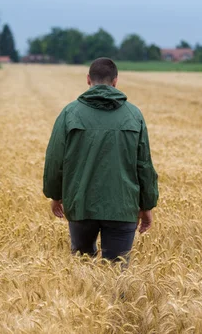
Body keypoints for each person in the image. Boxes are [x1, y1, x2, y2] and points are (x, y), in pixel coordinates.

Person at [43, 57, 158, 262]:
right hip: (123, 206)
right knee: (117, 271)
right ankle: (116, 295)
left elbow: (55, 159)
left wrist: (55, 195)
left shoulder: (70, 113)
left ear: (88, 79)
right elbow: (144, 164)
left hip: (81, 205)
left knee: (82, 269)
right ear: (115, 81)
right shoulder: (134, 115)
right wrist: (146, 205)